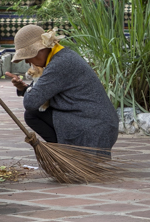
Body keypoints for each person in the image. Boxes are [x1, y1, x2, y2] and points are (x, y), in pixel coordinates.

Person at [8, 23, 119, 156]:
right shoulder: (63, 55)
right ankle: (69, 154)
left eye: (27, 56)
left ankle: (69, 154)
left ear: (41, 50)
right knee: (34, 114)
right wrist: (25, 88)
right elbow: (39, 94)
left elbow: (31, 102)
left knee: (32, 114)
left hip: (94, 128)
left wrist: (30, 90)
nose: (27, 62)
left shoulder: (59, 63)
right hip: (96, 123)